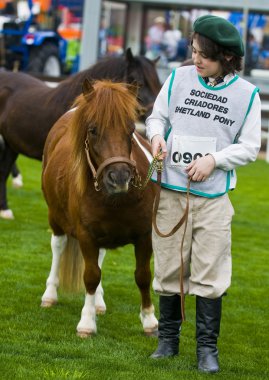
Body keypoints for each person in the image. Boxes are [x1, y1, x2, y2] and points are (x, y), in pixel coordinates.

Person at [146, 15, 261, 373]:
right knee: (167, 268)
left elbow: (250, 146)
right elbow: (156, 117)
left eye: (204, 55)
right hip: (170, 194)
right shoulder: (178, 78)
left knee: (210, 275)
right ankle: (167, 342)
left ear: (226, 58)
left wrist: (215, 160)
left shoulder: (247, 95)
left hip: (213, 201)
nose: (196, 59)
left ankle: (206, 350)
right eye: (194, 51)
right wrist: (156, 138)